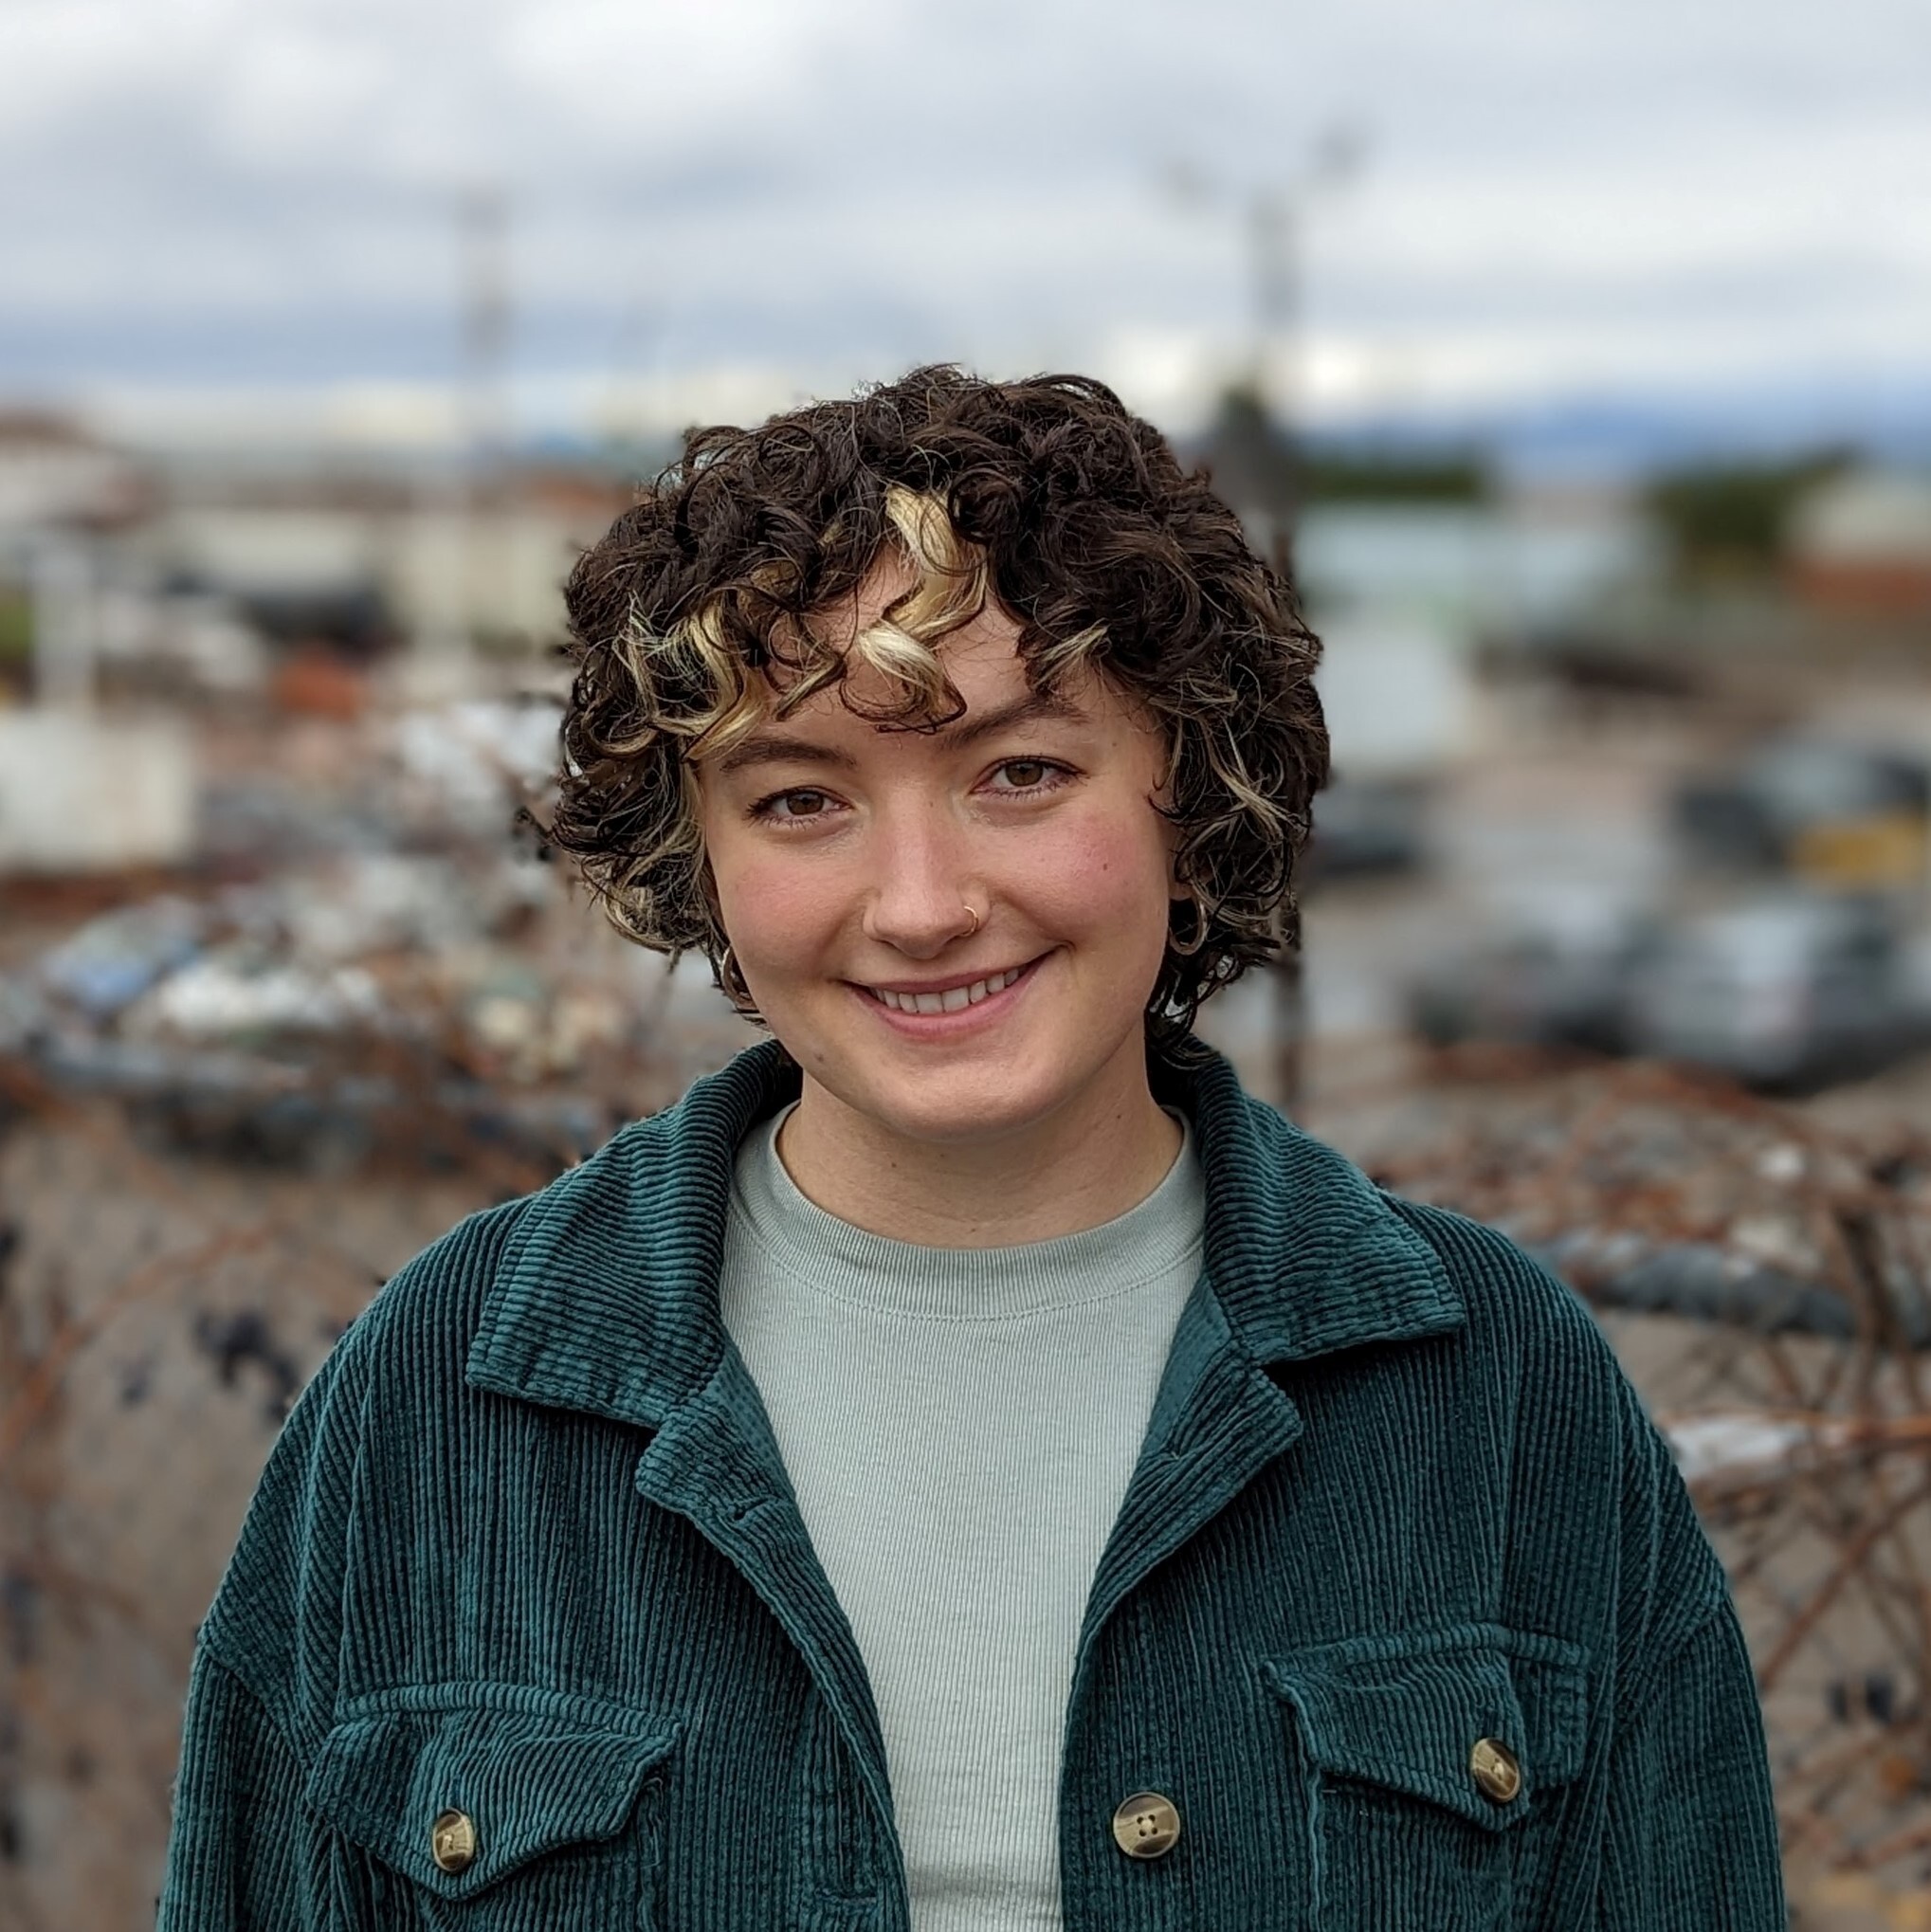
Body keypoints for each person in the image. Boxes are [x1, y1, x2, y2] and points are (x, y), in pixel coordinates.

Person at [158, 367, 1782, 1930]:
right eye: (800, 799)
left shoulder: (1501, 1396)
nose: (923, 905)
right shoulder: (436, 1403)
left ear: (1189, 799)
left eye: (1020, 771)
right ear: (696, 857)